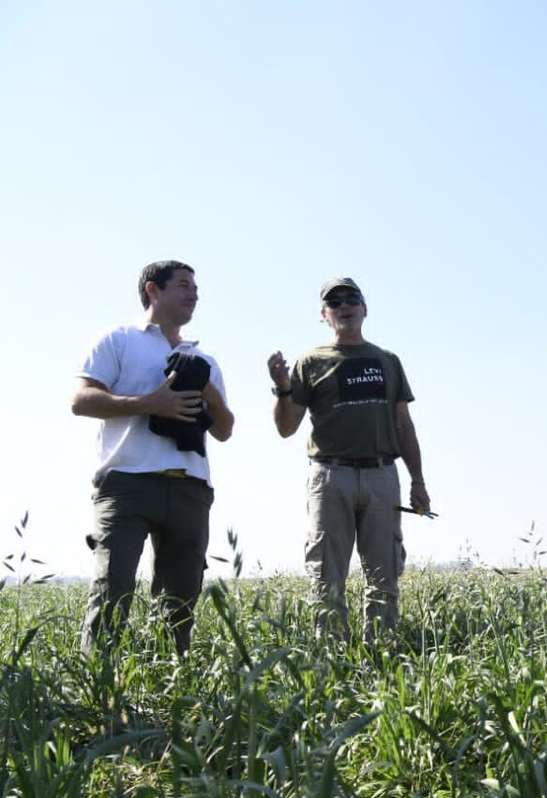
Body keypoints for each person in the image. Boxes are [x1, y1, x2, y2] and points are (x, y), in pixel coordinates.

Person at [72, 260, 234, 655]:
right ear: (152, 290)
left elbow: (225, 430)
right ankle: (97, 689)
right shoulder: (118, 340)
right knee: (112, 589)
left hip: (190, 488)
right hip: (127, 483)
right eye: (183, 285)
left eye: (196, 287)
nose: (193, 293)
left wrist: (210, 394)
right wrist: (150, 404)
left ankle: (169, 693)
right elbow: (80, 400)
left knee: (179, 602)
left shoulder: (205, 360)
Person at [267, 278, 430, 641]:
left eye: (351, 299)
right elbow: (286, 427)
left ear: (364, 308)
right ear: (324, 315)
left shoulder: (387, 361)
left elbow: (403, 426)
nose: (344, 305)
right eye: (334, 302)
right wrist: (281, 387)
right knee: (326, 578)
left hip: (381, 475)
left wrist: (418, 481)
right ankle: (332, 663)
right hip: (330, 476)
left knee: (384, 575)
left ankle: (383, 656)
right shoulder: (310, 361)